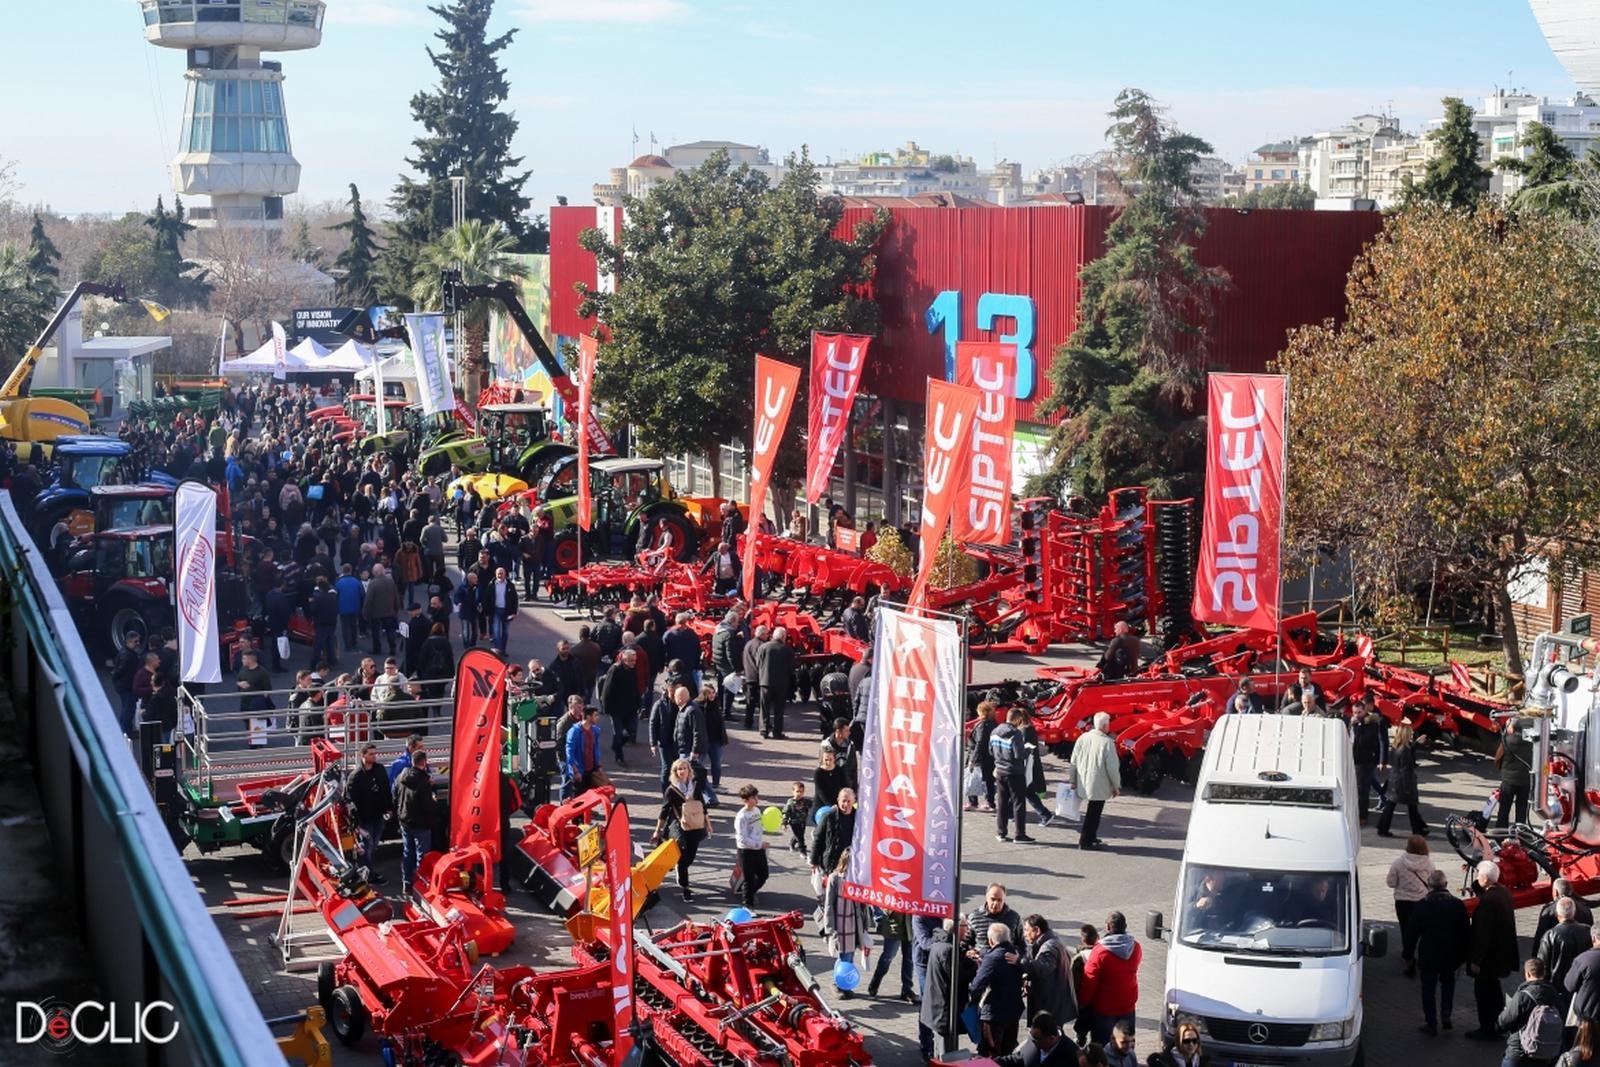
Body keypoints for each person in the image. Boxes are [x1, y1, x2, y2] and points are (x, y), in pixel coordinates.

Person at [1466, 860, 1522, 1041]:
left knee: (1483, 993)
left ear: (1484, 878)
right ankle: (1499, 1024)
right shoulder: (1503, 892)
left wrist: (1476, 961)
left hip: (1489, 958)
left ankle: (1486, 1028)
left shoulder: (1489, 902)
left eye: (1478, 875)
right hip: (1501, 954)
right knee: (1495, 991)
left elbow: (1483, 934)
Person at [1410, 868, 1469, 1036]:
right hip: (1451, 954)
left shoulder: (1422, 905)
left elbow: (1412, 932)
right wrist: (1465, 954)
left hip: (1428, 955)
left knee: (1428, 990)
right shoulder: (1458, 905)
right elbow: (1465, 931)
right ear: (1446, 884)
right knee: (1448, 985)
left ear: (1429, 886)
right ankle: (1446, 1015)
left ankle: (1431, 1022)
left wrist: (1408, 954)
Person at [1079, 911, 1141, 1045]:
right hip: (1128, 1006)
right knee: (1125, 1046)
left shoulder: (1099, 951)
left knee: (1103, 1048)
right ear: (1125, 926)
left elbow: (1089, 981)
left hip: (1104, 1010)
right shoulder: (1136, 947)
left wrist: (1082, 1003)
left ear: (1107, 927)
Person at [652, 758, 709, 902]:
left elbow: (702, 805)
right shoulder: (671, 790)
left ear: (689, 771)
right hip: (678, 824)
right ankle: (685, 887)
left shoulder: (694, 786)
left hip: (695, 823)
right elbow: (664, 811)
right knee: (683, 853)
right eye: (679, 769)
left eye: (684, 768)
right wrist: (657, 830)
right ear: (675, 772)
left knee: (691, 855)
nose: (682, 771)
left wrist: (708, 823)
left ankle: (681, 867)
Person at [819, 851, 873, 1000]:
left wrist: (866, 925)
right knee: (844, 955)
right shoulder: (835, 878)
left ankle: (843, 984)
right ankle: (838, 984)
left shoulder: (857, 878)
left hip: (854, 924)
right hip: (841, 924)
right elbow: (829, 905)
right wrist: (830, 929)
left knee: (850, 955)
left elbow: (863, 905)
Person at [921, 919, 976, 1061]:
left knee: (941, 1048)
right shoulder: (948, 949)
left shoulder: (941, 943)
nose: (968, 929)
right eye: (965, 926)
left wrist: (965, 957)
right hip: (943, 1010)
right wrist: (975, 966)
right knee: (946, 1053)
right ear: (957, 929)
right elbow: (958, 977)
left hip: (937, 1007)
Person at [970, 922, 1027, 1055]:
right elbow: (998, 953)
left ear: (990, 940)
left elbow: (977, 986)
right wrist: (983, 953)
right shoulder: (1016, 953)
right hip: (1013, 1011)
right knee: (1007, 1052)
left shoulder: (992, 959)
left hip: (994, 1014)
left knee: (991, 1052)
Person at [1387, 833, 1438, 976]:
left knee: (1405, 929)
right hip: (1422, 902)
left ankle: (1408, 956)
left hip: (1402, 902)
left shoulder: (1398, 863)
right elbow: (1432, 883)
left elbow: (1390, 883)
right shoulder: (1429, 864)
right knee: (1422, 930)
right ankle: (1422, 955)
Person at [1069, 712, 1121, 851]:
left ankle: (1091, 837)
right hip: (1098, 783)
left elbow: (1073, 761)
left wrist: (1072, 780)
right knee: (1094, 813)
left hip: (1083, 780)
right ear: (1105, 726)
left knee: (1093, 811)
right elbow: (1112, 768)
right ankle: (1085, 841)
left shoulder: (1083, 738)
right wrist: (1116, 785)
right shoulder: (1107, 743)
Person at [1497, 957, 1564, 1066]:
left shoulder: (1523, 995)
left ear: (1527, 973)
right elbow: (1562, 1017)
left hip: (1520, 1051)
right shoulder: (1555, 995)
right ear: (1544, 972)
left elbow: (1504, 1021)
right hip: (1547, 1053)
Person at [1021, 915, 1078, 1036]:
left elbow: (1043, 969)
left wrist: (1020, 962)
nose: (1024, 934)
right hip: (1056, 1004)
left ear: (1037, 930)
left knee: (1050, 1038)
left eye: (1026, 930)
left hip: (1052, 1006)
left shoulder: (1049, 947)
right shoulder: (1052, 942)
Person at [1537, 896, 1591, 1023]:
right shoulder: (1588, 931)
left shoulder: (1550, 935)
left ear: (1557, 914)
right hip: (1583, 986)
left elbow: (1542, 964)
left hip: (1559, 987)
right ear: (1574, 912)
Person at [393, 749, 437, 898]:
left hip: (405, 821)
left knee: (407, 853)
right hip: (421, 823)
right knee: (422, 856)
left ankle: (407, 884)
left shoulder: (401, 777)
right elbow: (428, 806)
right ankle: (420, 885)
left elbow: (395, 795)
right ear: (424, 762)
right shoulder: (424, 782)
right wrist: (433, 796)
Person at [1377, 721, 1429, 838]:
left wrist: (1416, 744)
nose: (1412, 735)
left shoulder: (1396, 746)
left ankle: (1383, 827)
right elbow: (1405, 770)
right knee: (1411, 806)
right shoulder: (1405, 750)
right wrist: (1408, 788)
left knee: (1392, 806)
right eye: (1410, 734)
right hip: (1403, 782)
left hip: (1394, 780)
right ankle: (1418, 829)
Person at [348, 743, 391, 884]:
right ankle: (367, 875)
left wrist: (389, 808)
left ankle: (365, 871)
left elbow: (386, 790)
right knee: (366, 846)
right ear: (363, 755)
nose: (374, 756)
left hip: (379, 816)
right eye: (371, 754)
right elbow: (351, 801)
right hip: (364, 819)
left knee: (373, 845)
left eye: (375, 753)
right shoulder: (356, 776)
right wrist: (355, 822)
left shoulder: (379, 769)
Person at [991, 708, 1033, 843]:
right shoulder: (1015, 734)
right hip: (1014, 773)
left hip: (1000, 771)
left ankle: (1001, 833)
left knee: (1002, 803)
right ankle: (1020, 835)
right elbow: (1018, 755)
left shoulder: (995, 731)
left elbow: (990, 751)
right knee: (1019, 803)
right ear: (1016, 719)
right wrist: (1028, 749)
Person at [1348, 693, 1389, 824]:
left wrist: (1383, 760)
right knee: (1361, 785)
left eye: (1359, 712)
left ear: (1365, 710)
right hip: (1354, 759)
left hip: (1365, 760)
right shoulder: (1353, 722)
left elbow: (1377, 741)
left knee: (1364, 787)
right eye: (1355, 712)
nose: (1357, 715)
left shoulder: (1373, 723)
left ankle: (1363, 815)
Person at [600, 647, 642, 767]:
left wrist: (638, 703)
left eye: (634, 660)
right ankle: (619, 756)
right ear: (624, 659)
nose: (633, 663)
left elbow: (635, 688)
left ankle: (615, 745)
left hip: (630, 708)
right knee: (618, 733)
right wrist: (606, 707)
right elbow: (607, 690)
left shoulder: (632, 670)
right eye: (631, 661)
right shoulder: (615, 670)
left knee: (630, 732)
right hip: (617, 709)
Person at [994, 1011, 1079, 1067]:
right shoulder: (1034, 1041)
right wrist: (985, 1063)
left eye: (1036, 1040)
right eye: (1031, 1036)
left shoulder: (1072, 1055)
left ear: (1052, 1038)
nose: (1032, 1042)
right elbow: (1016, 1059)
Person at [868, 906, 916, 1003]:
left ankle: (907, 990)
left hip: (911, 922)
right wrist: (880, 916)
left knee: (909, 958)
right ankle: (875, 982)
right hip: (893, 923)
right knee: (888, 956)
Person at [733, 784, 770, 909]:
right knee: (748, 879)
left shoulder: (757, 810)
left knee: (763, 874)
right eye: (753, 797)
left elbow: (759, 827)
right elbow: (742, 839)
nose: (757, 800)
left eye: (756, 796)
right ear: (746, 800)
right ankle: (748, 905)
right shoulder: (741, 817)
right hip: (746, 851)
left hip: (758, 849)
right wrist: (760, 844)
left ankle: (749, 893)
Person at [1535, 880, 1596, 955]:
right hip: (1581, 957)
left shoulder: (1548, 910)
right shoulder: (1585, 909)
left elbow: (1540, 936)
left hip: (1557, 956)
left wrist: (1535, 958)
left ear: (1556, 892)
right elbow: (1591, 934)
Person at [756, 626, 795, 738]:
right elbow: (791, 669)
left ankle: (764, 730)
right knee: (779, 710)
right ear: (783, 637)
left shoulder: (763, 647)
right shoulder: (787, 650)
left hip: (765, 682)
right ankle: (777, 732)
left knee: (764, 708)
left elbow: (758, 664)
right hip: (781, 684)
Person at [810, 788, 857, 879]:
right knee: (830, 889)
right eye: (843, 801)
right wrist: (814, 861)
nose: (846, 804)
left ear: (853, 801)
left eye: (849, 801)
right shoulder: (828, 817)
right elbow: (818, 838)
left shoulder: (858, 818)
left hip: (850, 862)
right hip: (831, 860)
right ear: (838, 800)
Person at [1500, 717, 1536, 829]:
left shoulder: (1508, 740)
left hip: (1508, 780)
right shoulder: (1533, 744)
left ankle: (1500, 834)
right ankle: (1520, 834)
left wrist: (1508, 726)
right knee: (1521, 809)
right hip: (1525, 781)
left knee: (1504, 810)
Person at [965, 883, 1024, 950]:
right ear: (986, 897)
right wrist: (969, 952)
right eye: (993, 899)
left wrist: (1017, 956)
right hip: (981, 959)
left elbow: (1023, 945)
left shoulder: (1014, 918)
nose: (996, 903)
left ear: (1004, 899)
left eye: (999, 900)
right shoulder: (974, 917)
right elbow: (965, 943)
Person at [362, 563, 401, 656]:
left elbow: (369, 600)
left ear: (374, 572)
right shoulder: (391, 582)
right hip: (389, 611)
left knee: (376, 632)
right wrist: (396, 608)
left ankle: (377, 649)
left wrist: (365, 613)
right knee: (390, 631)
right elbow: (396, 596)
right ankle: (392, 648)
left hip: (376, 613)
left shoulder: (373, 583)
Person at [967, 701, 1000, 811]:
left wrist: (973, 759)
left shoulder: (982, 725)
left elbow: (980, 743)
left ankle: (973, 802)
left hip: (980, 758)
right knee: (989, 781)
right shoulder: (994, 723)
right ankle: (990, 803)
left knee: (972, 779)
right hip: (990, 757)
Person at [110, 630, 144, 735]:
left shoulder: (126, 652)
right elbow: (120, 670)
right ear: (129, 641)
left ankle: (127, 729)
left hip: (125, 685)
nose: (138, 643)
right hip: (126, 686)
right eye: (136, 641)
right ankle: (125, 730)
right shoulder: (127, 655)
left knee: (129, 707)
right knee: (128, 708)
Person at [647, 684, 680, 791]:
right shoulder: (660, 704)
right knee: (667, 767)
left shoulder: (681, 704)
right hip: (664, 741)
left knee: (678, 767)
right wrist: (653, 743)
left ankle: (677, 790)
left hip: (678, 741)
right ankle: (666, 792)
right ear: (668, 691)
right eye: (673, 692)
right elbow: (653, 723)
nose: (675, 695)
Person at [564, 705, 604, 792]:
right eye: (595, 715)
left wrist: (598, 766)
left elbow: (595, 749)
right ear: (588, 717)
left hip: (591, 771)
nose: (598, 718)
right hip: (580, 772)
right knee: (579, 799)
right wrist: (576, 772)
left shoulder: (595, 731)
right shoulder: (574, 731)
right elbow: (569, 753)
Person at [741, 624, 767, 730]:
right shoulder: (760, 645)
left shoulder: (749, 643)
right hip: (758, 676)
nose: (768, 636)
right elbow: (760, 662)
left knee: (750, 701)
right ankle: (763, 724)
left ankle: (748, 722)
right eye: (766, 634)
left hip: (749, 675)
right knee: (761, 702)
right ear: (762, 634)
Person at [486, 566, 518, 655]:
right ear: (495, 575)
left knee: (505, 632)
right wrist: (487, 612)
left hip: (507, 611)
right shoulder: (491, 585)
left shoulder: (510, 585)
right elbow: (487, 599)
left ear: (505, 575)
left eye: (502, 573)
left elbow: (514, 599)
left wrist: (514, 612)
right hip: (496, 610)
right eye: (498, 574)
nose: (500, 575)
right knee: (496, 631)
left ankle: (503, 650)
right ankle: (498, 650)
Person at [335, 564, 364, 651]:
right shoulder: (357, 582)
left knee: (345, 626)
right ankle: (354, 642)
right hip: (355, 607)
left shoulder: (339, 582)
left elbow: (336, 595)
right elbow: (362, 594)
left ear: (343, 571)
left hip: (343, 608)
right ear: (351, 570)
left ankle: (348, 644)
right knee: (353, 625)